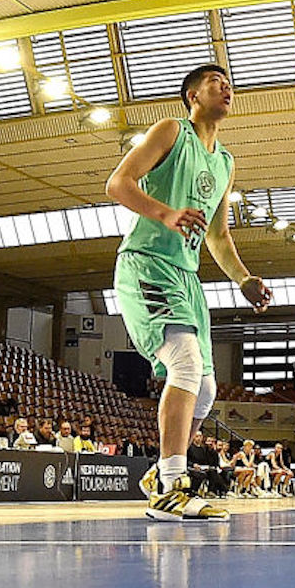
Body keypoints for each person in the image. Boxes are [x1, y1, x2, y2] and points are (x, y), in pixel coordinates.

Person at [107, 62, 272, 522]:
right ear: (192, 96)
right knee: (184, 360)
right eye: (215, 83)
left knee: (204, 389)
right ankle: (171, 487)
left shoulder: (225, 161)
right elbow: (117, 183)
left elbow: (218, 236)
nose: (227, 89)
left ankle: (162, 468)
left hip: (186, 277)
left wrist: (243, 279)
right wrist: (165, 213)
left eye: (230, 85)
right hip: (146, 263)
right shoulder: (170, 131)